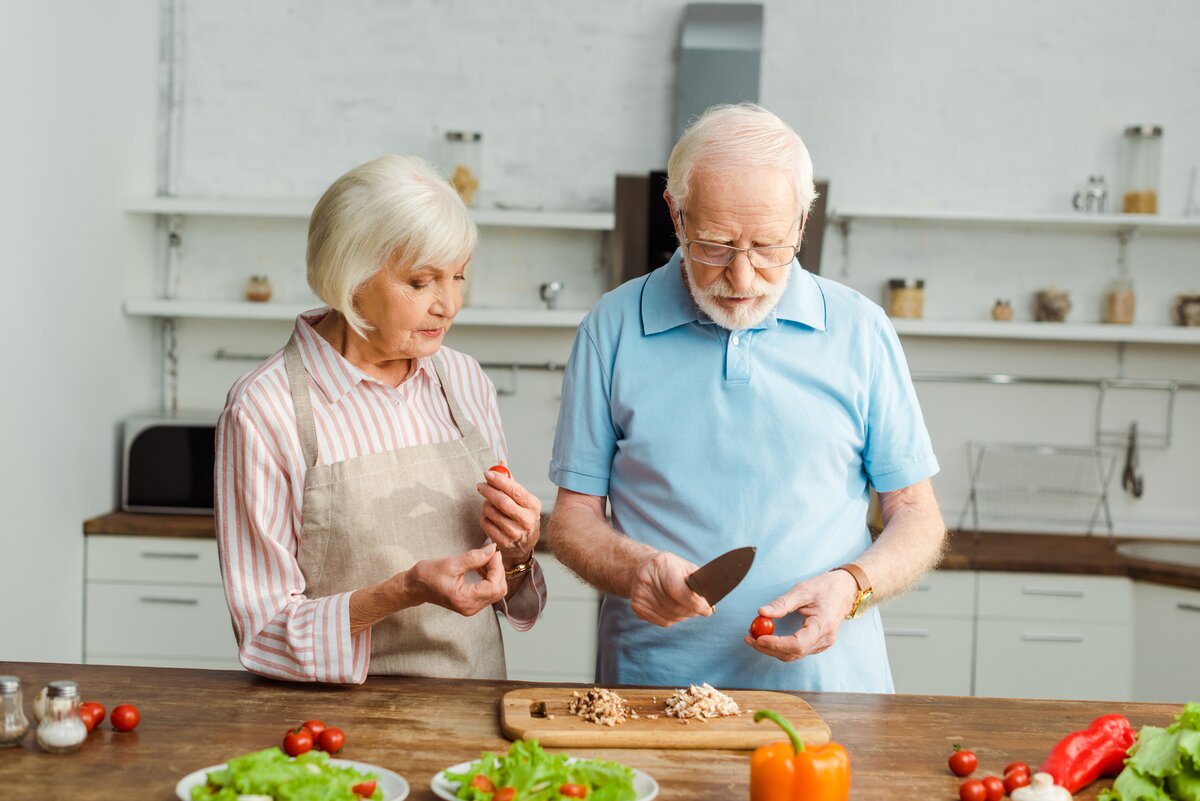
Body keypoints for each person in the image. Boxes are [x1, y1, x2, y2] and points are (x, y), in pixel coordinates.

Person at [548, 104, 945, 692]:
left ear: (803, 221)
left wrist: (852, 584)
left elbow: (916, 515)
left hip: (831, 692)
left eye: (768, 246)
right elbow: (573, 520)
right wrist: (635, 568)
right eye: (714, 245)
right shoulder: (610, 329)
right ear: (675, 214)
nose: (741, 278)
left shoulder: (862, 331)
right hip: (653, 690)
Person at [215, 155, 546, 683]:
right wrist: (403, 592)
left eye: (458, 277)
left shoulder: (463, 380)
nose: (449, 305)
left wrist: (520, 550)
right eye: (421, 282)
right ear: (350, 279)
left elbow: (504, 582)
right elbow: (264, 634)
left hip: (474, 704)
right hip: (339, 726)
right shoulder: (263, 409)